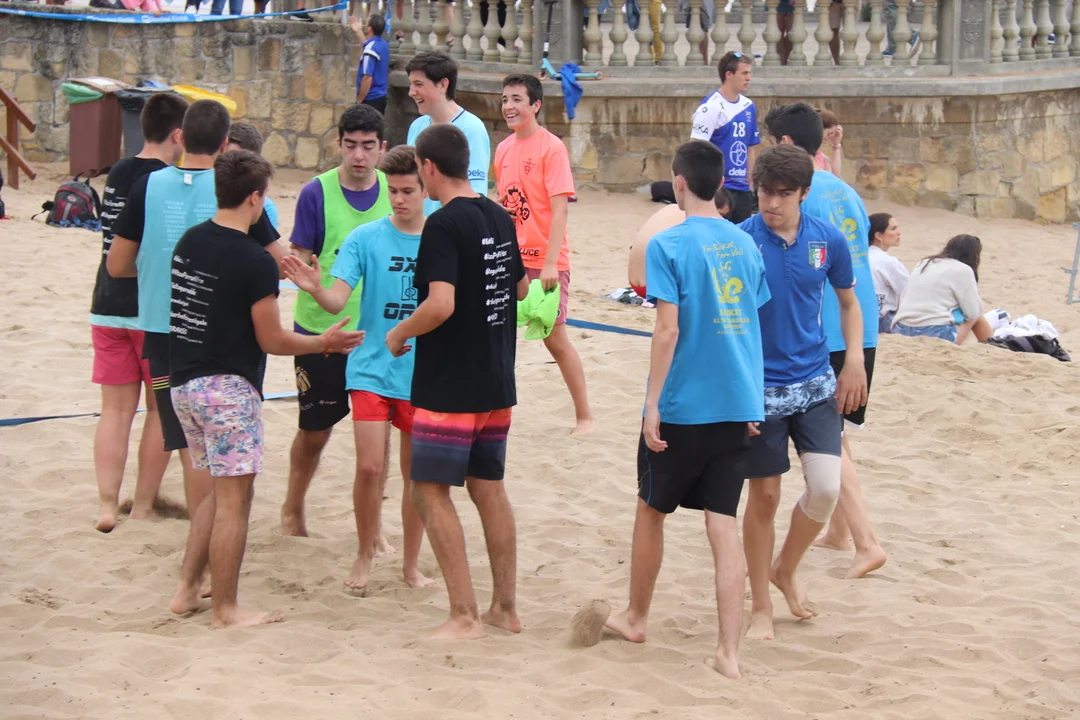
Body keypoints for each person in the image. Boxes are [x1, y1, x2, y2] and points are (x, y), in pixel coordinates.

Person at [167, 150, 365, 628]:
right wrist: (323, 343)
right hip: (227, 391)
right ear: (255, 199)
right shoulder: (253, 262)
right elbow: (272, 339)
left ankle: (187, 589)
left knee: (217, 494)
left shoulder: (190, 241)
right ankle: (226, 608)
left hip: (184, 385)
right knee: (235, 502)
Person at [603, 140, 770, 681]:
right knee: (722, 525)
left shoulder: (668, 243)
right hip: (736, 403)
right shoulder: (745, 243)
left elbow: (667, 330)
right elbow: (751, 325)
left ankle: (636, 617)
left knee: (651, 510)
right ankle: (728, 653)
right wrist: (753, 398)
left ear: (678, 182)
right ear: (720, 184)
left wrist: (651, 405)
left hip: (682, 406)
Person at [107, 99, 283, 529]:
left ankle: (193, 536)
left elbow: (117, 265)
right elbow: (278, 261)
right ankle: (209, 540)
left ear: (181, 137)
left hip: (161, 326)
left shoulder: (147, 185)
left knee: (186, 441)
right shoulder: (232, 190)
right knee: (218, 449)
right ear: (225, 145)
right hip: (220, 331)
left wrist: (162, 272)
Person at [385, 123, 529, 640]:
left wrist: (399, 333)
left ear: (427, 168)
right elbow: (519, 288)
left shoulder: (443, 224)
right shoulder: (498, 215)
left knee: (428, 491)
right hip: (496, 377)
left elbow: (440, 304)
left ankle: (464, 614)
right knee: (488, 488)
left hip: (452, 382)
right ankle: (504, 609)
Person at [281, 146, 433, 592]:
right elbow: (336, 300)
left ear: (426, 188)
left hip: (420, 373)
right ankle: (364, 554)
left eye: (408, 191)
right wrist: (314, 287)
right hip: (369, 368)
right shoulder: (366, 237)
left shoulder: (441, 236)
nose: (399, 199)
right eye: (393, 191)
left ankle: (410, 565)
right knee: (369, 467)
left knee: (416, 476)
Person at [737, 145, 868, 640]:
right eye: (765, 192)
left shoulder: (826, 238)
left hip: (815, 381)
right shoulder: (741, 241)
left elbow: (849, 304)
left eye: (783, 194)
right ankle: (761, 607)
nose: (771, 203)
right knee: (765, 498)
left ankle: (785, 568)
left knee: (827, 489)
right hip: (760, 387)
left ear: (804, 194)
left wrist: (853, 359)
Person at [764, 102, 886, 581]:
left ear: (785, 143)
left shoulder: (800, 201)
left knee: (829, 437)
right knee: (837, 437)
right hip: (862, 318)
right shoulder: (845, 190)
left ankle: (866, 541)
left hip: (829, 327)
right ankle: (839, 532)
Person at [280, 104, 393, 538]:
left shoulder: (395, 190)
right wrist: (301, 270)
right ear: (339, 145)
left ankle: (373, 526)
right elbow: (301, 254)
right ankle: (293, 507)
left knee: (378, 439)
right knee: (315, 431)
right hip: (321, 330)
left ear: (382, 148)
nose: (359, 155)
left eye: (368, 146)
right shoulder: (317, 192)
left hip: (378, 333)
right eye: (351, 145)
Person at [90, 92, 187, 533]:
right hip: (150, 310)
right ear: (178, 135)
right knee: (158, 409)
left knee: (114, 411)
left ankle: (107, 506)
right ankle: (144, 505)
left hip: (107, 305)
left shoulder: (119, 171)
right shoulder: (166, 181)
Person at [495, 74, 594, 435]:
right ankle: (495, 413)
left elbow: (560, 210)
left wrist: (551, 263)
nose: (509, 106)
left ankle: (584, 416)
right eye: (505, 99)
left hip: (547, 262)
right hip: (511, 260)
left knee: (555, 339)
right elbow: (505, 201)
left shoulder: (551, 148)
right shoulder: (503, 149)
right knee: (498, 338)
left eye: (517, 99)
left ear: (535, 105)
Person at [405, 52, 490, 217]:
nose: (411, 92)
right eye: (411, 84)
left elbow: (475, 194)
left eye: (418, 84)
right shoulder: (416, 126)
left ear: (443, 84)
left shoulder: (472, 129)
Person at [690, 51, 761, 224]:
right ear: (729, 74)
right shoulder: (711, 106)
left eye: (749, 73)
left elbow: (750, 147)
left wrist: (751, 183)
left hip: (742, 188)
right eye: (744, 73)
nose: (749, 78)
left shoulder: (748, 106)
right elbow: (696, 149)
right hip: (719, 187)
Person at [627, 186, 731, 300]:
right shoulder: (697, 220)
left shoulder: (670, 208)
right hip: (657, 287)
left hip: (636, 282)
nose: (721, 219)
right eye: (721, 214)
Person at [893, 235, 993, 344]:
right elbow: (973, 312)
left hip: (900, 328)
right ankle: (993, 345)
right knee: (977, 317)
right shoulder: (964, 270)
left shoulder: (924, 263)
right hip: (933, 331)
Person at [226, 122, 279, 229]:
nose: (236, 168)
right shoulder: (205, 195)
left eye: (246, 162)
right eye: (230, 157)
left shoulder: (265, 209)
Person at [867, 213, 908, 334]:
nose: (899, 233)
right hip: (881, 320)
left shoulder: (862, 256)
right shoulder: (888, 261)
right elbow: (909, 291)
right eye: (893, 229)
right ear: (879, 235)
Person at [351, 13, 390, 114]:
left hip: (370, 99)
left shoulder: (371, 49)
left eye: (366, 23)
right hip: (381, 97)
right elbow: (367, 45)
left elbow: (367, 78)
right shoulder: (383, 44)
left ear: (370, 28)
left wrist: (359, 101)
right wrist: (358, 31)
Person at [814, 109, 844, 177]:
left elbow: (835, 176)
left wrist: (836, 144)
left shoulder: (821, 156)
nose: (828, 138)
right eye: (829, 133)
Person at [777, 0, 794, 65]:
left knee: (792, 34)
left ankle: (784, 57)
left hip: (792, 3)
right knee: (778, 33)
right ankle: (782, 59)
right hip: (777, 3)